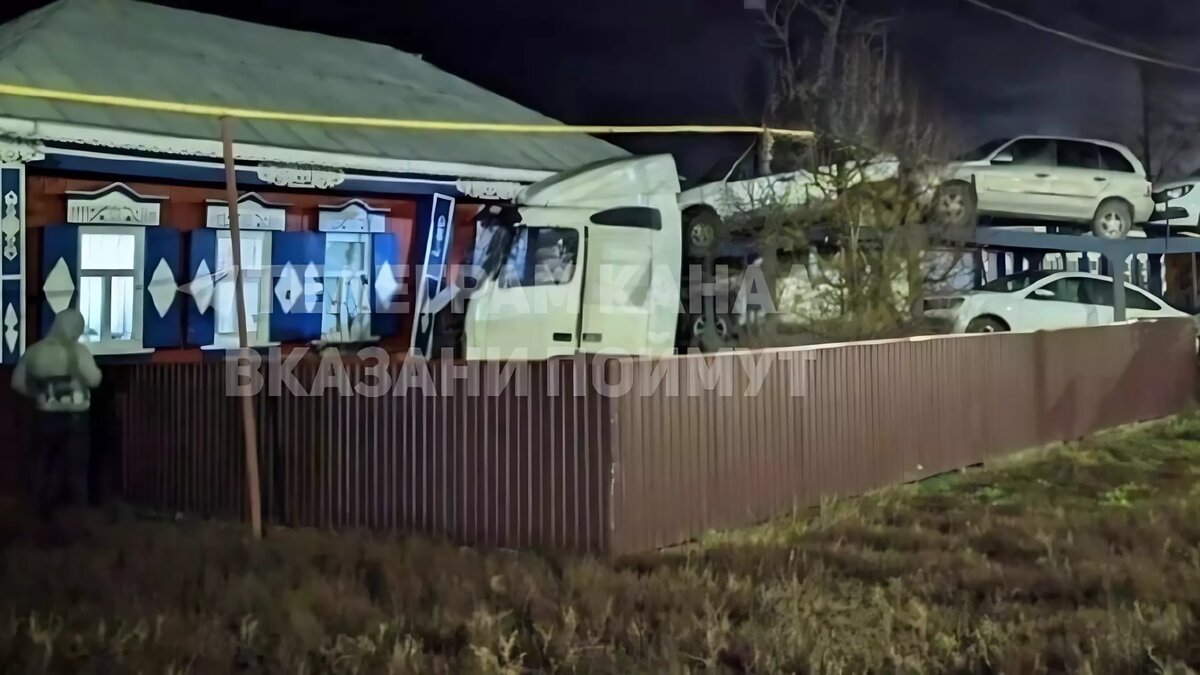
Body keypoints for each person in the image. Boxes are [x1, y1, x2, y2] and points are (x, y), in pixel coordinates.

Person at [11, 308, 102, 518]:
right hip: (76, 417)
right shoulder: (79, 352)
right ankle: (79, 516)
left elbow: (17, 383)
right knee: (77, 468)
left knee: (43, 463)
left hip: (45, 415)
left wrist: (39, 395)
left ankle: (39, 513)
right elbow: (95, 380)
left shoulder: (35, 351)